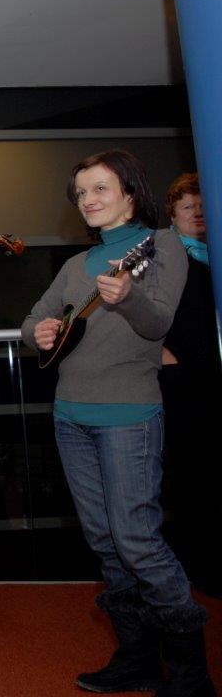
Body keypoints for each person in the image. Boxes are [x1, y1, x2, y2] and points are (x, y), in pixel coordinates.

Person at [23, 151, 213, 696]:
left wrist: (128, 298)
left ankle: (192, 674)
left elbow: (158, 324)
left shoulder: (162, 245)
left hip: (130, 415)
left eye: (101, 188)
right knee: (106, 543)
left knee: (137, 541)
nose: (89, 200)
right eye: (82, 192)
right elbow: (33, 320)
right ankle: (138, 658)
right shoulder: (75, 265)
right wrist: (38, 333)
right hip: (70, 417)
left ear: (130, 193)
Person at [159, 173, 220, 596]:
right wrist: (162, 356)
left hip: (214, 377)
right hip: (183, 383)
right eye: (187, 207)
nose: (196, 213)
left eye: (202, 206)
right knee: (190, 477)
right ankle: (197, 569)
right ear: (173, 214)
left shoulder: (215, 256)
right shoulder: (162, 257)